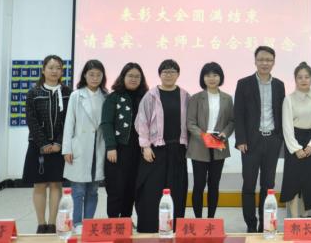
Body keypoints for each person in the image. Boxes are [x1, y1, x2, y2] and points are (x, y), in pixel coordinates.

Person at [134, 59, 190, 233]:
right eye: (165, 71)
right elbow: (141, 122)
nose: (168, 75)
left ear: (178, 74)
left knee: (176, 190)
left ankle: (174, 226)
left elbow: (190, 122)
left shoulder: (185, 96)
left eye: (172, 71)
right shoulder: (151, 95)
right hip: (155, 150)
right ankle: (149, 226)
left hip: (178, 150)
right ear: (159, 74)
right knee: (151, 189)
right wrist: (145, 146)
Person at [234, 46, 285, 233]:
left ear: (274, 62)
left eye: (269, 60)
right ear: (255, 61)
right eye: (261, 59)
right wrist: (241, 139)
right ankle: (251, 224)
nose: (265, 63)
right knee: (249, 184)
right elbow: (238, 113)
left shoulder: (279, 85)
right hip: (250, 142)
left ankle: (265, 222)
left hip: (272, 140)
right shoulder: (244, 83)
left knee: (268, 185)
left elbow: (280, 112)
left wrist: (279, 138)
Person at [23, 55, 71, 234]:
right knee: (40, 185)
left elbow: (69, 121)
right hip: (37, 146)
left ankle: (52, 224)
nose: (54, 71)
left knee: (56, 184)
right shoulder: (33, 92)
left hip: (60, 146)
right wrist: (43, 143)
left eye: (58, 68)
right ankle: (41, 224)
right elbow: (31, 120)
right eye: (50, 67)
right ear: (43, 70)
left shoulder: (68, 92)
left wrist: (58, 142)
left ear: (62, 71)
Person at [62, 59, 108, 234]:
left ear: (103, 77)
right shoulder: (76, 95)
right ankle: (77, 223)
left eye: (98, 75)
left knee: (93, 190)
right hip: (80, 147)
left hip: (98, 147)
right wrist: (67, 148)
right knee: (78, 190)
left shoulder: (106, 96)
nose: (95, 78)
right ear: (85, 76)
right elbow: (69, 123)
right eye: (91, 74)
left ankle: (88, 223)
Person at [100, 62, 149, 219]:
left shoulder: (146, 98)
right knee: (115, 189)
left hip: (139, 152)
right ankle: (113, 222)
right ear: (123, 77)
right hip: (118, 150)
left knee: (132, 189)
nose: (134, 79)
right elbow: (106, 123)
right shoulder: (113, 97)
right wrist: (111, 146)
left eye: (137, 77)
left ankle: (126, 221)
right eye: (130, 76)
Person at [187, 62, 235, 219]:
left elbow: (232, 121)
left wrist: (224, 134)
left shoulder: (227, 98)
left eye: (215, 75)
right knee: (199, 185)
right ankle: (198, 220)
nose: (212, 78)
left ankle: (211, 220)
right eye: (208, 75)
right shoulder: (195, 98)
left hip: (219, 145)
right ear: (203, 78)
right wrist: (205, 137)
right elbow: (190, 123)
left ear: (220, 77)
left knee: (214, 185)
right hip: (199, 146)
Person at [281, 62, 311, 217]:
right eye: (300, 77)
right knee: (292, 181)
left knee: (308, 181)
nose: (303, 80)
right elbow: (286, 126)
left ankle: (305, 218)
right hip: (294, 142)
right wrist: (296, 148)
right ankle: (294, 219)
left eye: (307, 77)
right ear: (295, 79)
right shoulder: (289, 99)